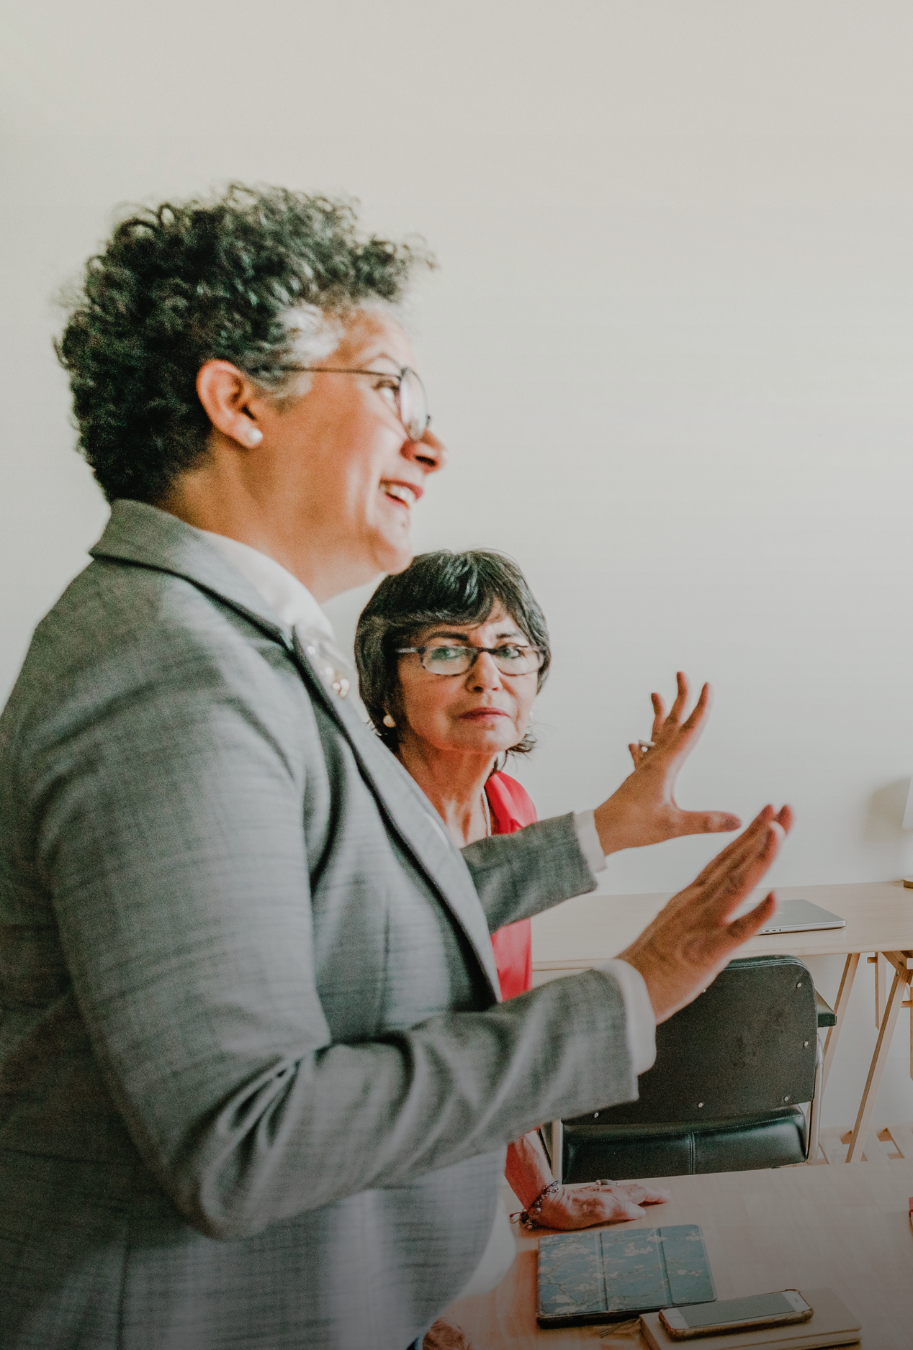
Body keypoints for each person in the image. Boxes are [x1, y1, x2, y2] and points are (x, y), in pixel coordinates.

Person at [0, 185, 790, 1350]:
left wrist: (595, 838)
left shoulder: (227, 641)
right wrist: (636, 986)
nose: (431, 438)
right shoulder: (170, 673)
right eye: (390, 389)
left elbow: (355, 922)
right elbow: (242, 1136)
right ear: (237, 402)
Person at [355, 549, 693, 1250]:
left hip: (461, 1200)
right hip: (363, 1214)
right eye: (447, 652)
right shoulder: (358, 822)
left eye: (510, 649)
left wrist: (541, 1193)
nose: (487, 675)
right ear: (387, 686)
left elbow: (493, 1038)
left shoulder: (512, 809)